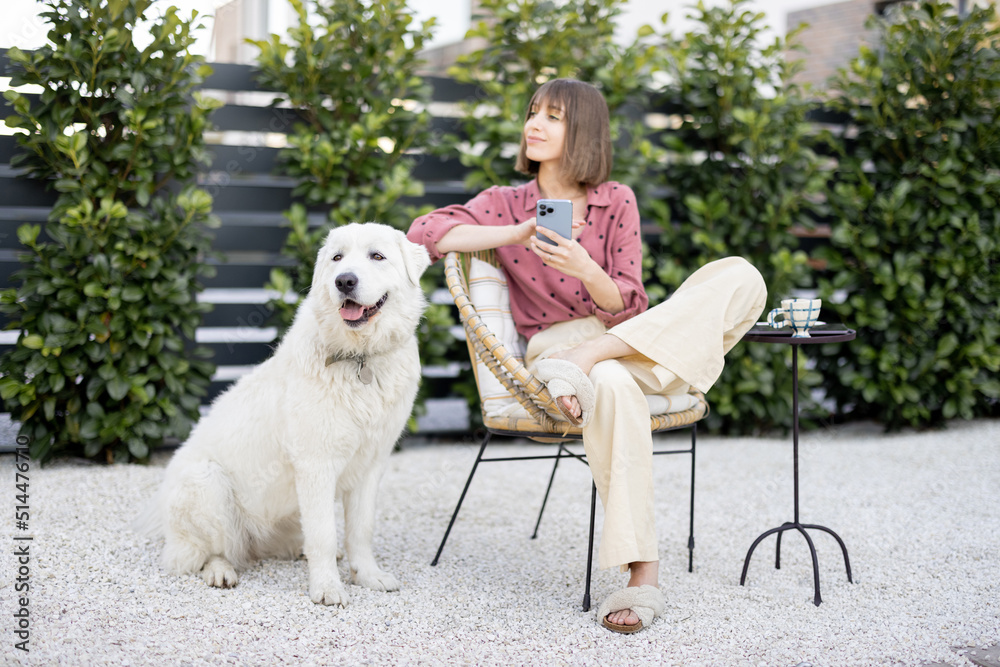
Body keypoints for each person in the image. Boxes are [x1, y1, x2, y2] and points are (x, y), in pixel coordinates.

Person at [407, 78, 766, 633]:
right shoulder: (504, 202)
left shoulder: (616, 199)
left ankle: (591, 356)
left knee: (741, 275)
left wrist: (587, 271)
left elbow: (631, 301)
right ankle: (642, 573)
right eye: (533, 112)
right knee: (617, 385)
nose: (535, 124)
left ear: (585, 131)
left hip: (615, 336)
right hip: (553, 342)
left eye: (553, 116)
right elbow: (425, 231)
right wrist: (519, 230)